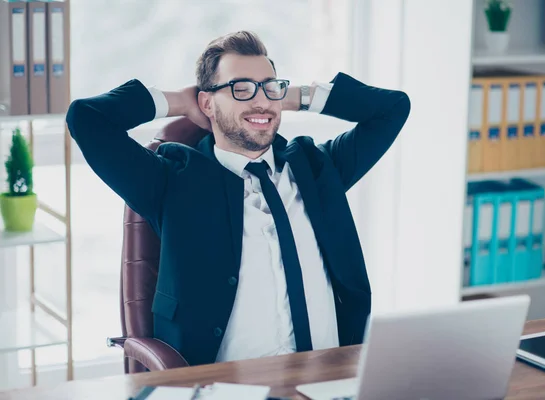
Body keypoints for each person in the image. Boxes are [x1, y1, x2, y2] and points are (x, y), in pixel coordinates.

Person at [66, 30, 410, 366]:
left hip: (329, 379)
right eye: (240, 88)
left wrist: (296, 96)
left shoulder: (318, 169)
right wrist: (179, 102)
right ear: (207, 102)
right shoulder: (172, 182)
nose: (260, 100)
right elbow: (86, 119)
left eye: (270, 87)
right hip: (230, 387)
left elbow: (393, 108)